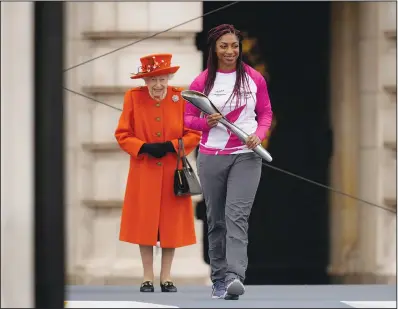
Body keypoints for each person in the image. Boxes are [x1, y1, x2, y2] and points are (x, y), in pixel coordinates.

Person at [184, 24, 273, 300]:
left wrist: (258, 136)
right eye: (224, 46)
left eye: (234, 46)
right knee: (216, 219)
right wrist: (204, 122)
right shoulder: (202, 82)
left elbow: (266, 113)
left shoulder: (254, 78)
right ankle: (219, 279)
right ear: (214, 48)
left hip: (246, 157)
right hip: (211, 156)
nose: (230, 51)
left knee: (237, 216)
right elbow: (186, 119)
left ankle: (235, 276)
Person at [115, 53, 201, 293]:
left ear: (169, 77)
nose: (158, 85)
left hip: (173, 172)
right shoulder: (133, 98)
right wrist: (142, 147)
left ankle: (166, 276)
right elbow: (122, 134)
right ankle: (146, 277)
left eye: (162, 79)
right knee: (145, 224)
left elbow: (194, 134)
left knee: (170, 225)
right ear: (145, 81)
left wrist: (172, 146)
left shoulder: (180, 98)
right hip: (144, 171)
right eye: (152, 80)